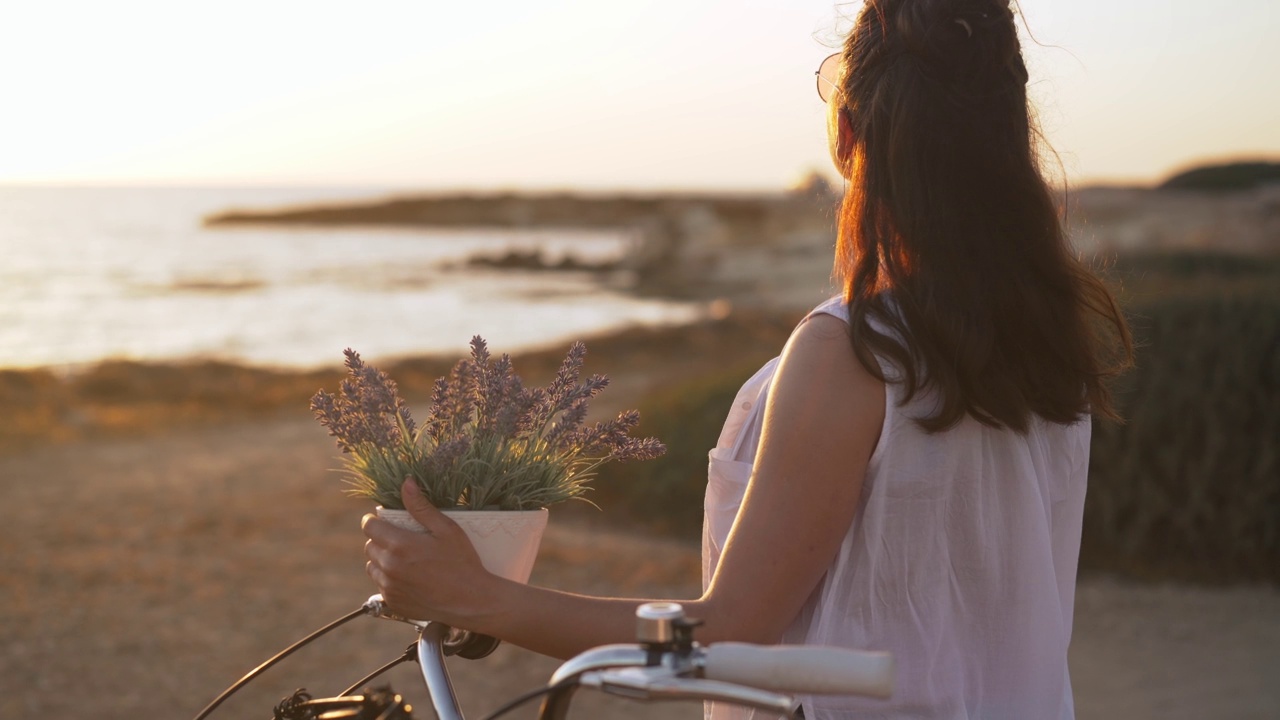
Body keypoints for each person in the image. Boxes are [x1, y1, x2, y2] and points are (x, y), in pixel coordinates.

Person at [361, 0, 1133, 717]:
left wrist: (477, 597)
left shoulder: (858, 350)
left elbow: (726, 630)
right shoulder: (1048, 343)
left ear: (850, 136)